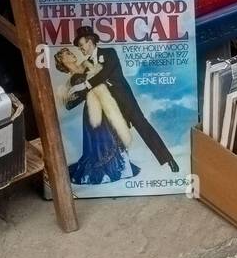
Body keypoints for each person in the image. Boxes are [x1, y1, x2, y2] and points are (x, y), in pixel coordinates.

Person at [74, 27, 180, 173]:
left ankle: (169, 159)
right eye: (79, 47)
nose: (80, 49)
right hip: (110, 106)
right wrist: (73, 96)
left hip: (125, 99)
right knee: (110, 134)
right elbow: (89, 89)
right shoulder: (86, 65)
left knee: (142, 125)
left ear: (90, 41)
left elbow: (104, 74)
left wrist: (85, 84)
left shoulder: (109, 53)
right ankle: (117, 169)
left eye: (81, 45)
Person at [54, 48, 138, 185]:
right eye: (66, 54)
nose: (71, 53)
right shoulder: (74, 79)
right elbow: (76, 99)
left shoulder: (88, 65)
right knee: (104, 141)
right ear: (63, 62)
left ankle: (119, 167)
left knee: (114, 134)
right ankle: (108, 171)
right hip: (94, 112)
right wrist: (81, 89)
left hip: (107, 106)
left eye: (70, 52)